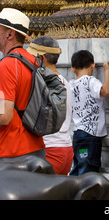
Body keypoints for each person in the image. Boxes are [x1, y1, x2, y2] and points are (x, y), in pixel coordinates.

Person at [0, 8, 45, 160]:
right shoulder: (34, 61)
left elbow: (4, 116)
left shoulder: (6, 65)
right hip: (36, 147)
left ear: (9, 34)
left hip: (12, 152)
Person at [27, 36, 73, 175]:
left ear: (42, 58)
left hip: (50, 149)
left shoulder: (43, 82)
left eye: (32, 57)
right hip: (65, 148)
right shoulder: (65, 82)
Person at [69, 50, 109, 175]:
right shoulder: (90, 81)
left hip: (78, 133)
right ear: (93, 65)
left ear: (73, 69)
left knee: (78, 168)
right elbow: (106, 92)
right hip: (91, 134)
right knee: (88, 171)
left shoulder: (71, 84)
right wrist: (107, 71)